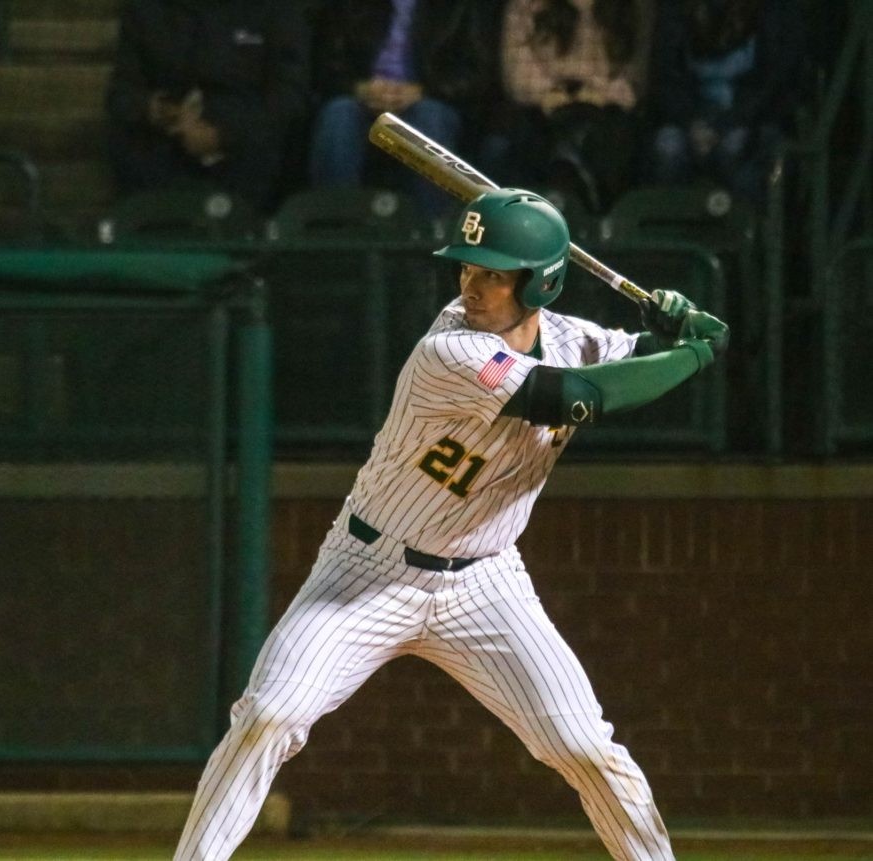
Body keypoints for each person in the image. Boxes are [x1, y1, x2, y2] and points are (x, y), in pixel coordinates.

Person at [174, 189, 729, 861]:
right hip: (367, 571)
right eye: (467, 267)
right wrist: (694, 354)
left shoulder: (571, 338)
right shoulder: (451, 349)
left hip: (487, 583)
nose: (473, 284)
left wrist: (680, 329)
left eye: (494, 272)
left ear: (542, 282)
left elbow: (633, 357)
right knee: (267, 716)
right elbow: (579, 396)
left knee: (585, 746)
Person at [104, 0, 312, 212]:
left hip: (245, 141)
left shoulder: (275, 9)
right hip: (166, 139)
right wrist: (157, 110)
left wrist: (224, 135)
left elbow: (290, 96)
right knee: (128, 138)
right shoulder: (145, 10)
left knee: (275, 143)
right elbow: (121, 92)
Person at [307, 0, 494, 220]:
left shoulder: (457, 7)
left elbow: (473, 73)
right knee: (338, 115)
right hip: (362, 99)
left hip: (429, 98)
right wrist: (358, 88)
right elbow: (325, 65)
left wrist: (423, 91)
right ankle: (334, 232)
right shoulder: (349, 6)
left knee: (429, 117)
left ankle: (433, 232)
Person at [479, 0, 656, 214]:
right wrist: (557, 93)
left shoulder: (634, 6)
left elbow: (632, 79)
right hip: (542, 111)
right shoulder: (525, 5)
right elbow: (518, 74)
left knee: (616, 139)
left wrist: (593, 91)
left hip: (609, 112)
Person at [644, 0, 805, 204]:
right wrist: (691, 122)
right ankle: (667, 228)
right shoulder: (677, 8)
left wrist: (727, 124)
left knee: (735, 147)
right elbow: (666, 77)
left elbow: (776, 83)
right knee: (667, 146)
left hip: (750, 116)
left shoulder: (775, 9)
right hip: (693, 116)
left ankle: (745, 227)